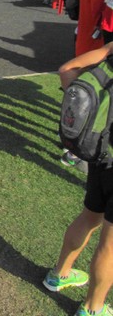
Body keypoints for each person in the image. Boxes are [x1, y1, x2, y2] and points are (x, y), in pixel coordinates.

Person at [43, 43, 113, 316]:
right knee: (109, 245)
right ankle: (93, 308)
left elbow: (67, 70)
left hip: (100, 152)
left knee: (90, 216)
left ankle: (59, 274)